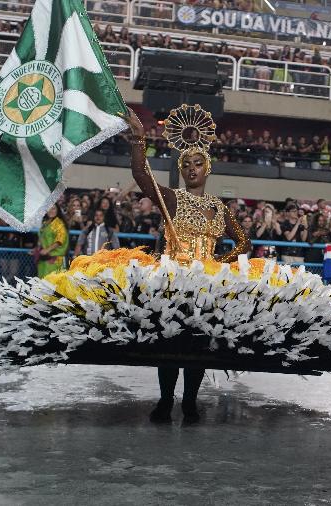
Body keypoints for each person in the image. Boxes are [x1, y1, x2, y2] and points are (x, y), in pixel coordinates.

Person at [126, 104, 251, 423]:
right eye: (186, 164)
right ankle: (166, 400)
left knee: (198, 343)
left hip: (207, 284)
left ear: (207, 168)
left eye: (198, 163)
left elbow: (244, 243)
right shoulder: (172, 198)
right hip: (172, 279)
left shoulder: (220, 207)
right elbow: (141, 175)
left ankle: (191, 401)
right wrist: (139, 138)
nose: (192, 168)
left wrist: (216, 263)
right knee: (170, 340)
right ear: (181, 169)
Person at [34, 203, 68, 278]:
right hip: (43, 257)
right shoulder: (45, 222)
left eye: (53, 208)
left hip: (54, 258)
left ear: (57, 210)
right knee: (42, 281)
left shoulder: (59, 223)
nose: (51, 211)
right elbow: (41, 238)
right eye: (49, 208)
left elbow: (59, 241)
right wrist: (37, 249)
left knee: (52, 282)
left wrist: (47, 250)